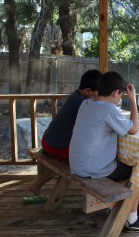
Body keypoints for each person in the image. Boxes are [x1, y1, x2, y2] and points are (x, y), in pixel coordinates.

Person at [69, 71, 139, 232]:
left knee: (121, 161)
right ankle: (132, 219)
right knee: (136, 169)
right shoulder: (109, 110)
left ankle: (114, 208)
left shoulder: (86, 104)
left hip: (76, 165)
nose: (119, 99)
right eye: (121, 95)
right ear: (115, 93)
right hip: (93, 170)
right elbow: (134, 129)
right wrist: (132, 99)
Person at [23, 69, 102, 202]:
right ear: (88, 91)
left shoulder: (76, 96)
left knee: (77, 159)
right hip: (56, 145)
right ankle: (94, 196)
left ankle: (37, 185)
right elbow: (98, 119)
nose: (99, 96)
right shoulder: (82, 103)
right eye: (98, 93)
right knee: (87, 159)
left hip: (49, 140)